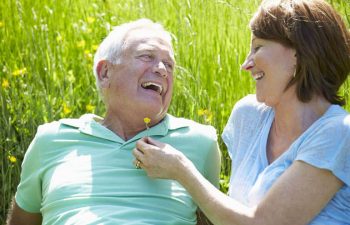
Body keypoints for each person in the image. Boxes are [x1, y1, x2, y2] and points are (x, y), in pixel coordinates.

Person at [133, 0, 350, 224]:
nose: (246, 64)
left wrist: (181, 170)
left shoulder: (339, 133)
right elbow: (228, 209)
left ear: (300, 52)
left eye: (258, 47)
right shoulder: (249, 116)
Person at [6, 19, 221, 225]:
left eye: (169, 65)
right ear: (105, 72)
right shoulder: (51, 139)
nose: (162, 69)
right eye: (147, 56)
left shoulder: (200, 141)